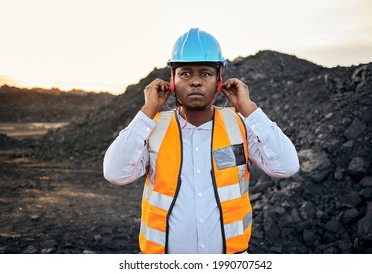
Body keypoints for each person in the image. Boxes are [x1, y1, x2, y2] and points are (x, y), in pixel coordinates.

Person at [103, 28, 299, 254]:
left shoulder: (240, 126)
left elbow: (287, 166)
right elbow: (115, 173)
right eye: (185, 73)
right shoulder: (153, 127)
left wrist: (249, 109)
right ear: (172, 80)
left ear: (219, 80)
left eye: (205, 73)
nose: (195, 81)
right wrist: (148, 111)